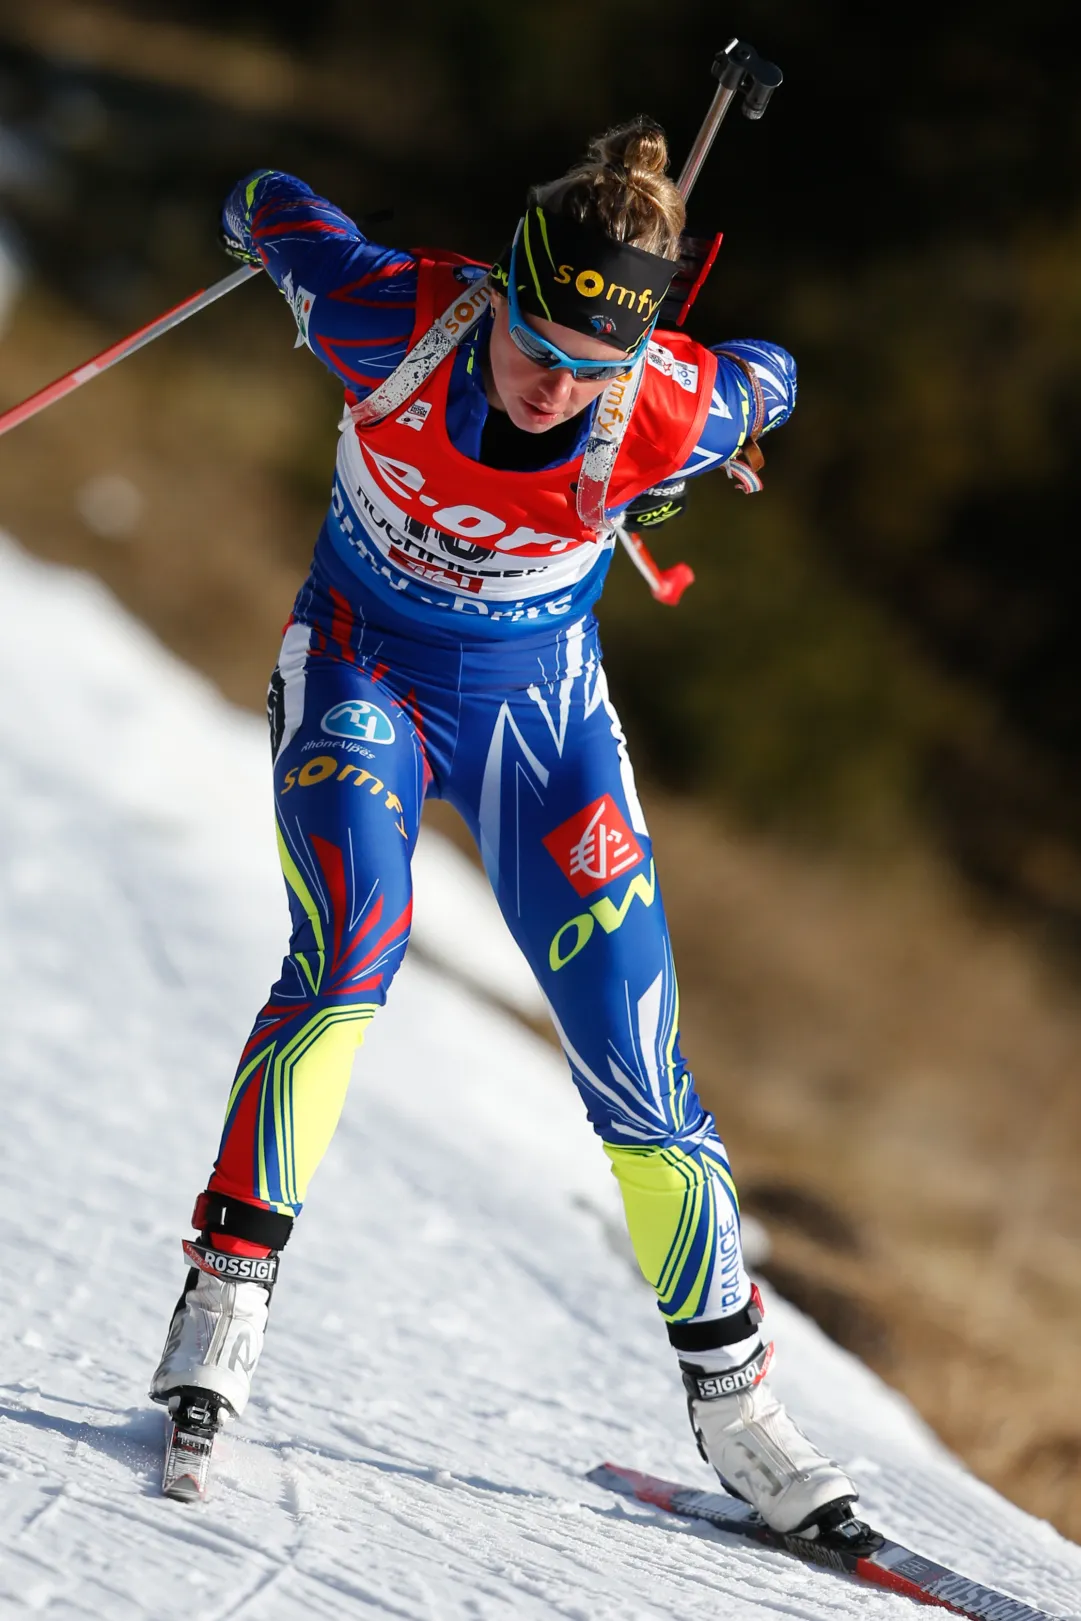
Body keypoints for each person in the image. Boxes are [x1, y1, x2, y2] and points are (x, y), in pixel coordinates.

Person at [150, 118, 859, 1535]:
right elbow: (271, 196)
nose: (553, 394)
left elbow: (771, 378)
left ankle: (740, 1409)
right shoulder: (389, 319)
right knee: (351, 950)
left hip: (545, 725)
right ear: (499, 293)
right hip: (363, 669)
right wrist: (250, 225)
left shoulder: (658, 399)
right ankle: (223, 1301)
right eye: (538, 350)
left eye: (592, 371)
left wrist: (710, 449)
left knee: (637, 1060)